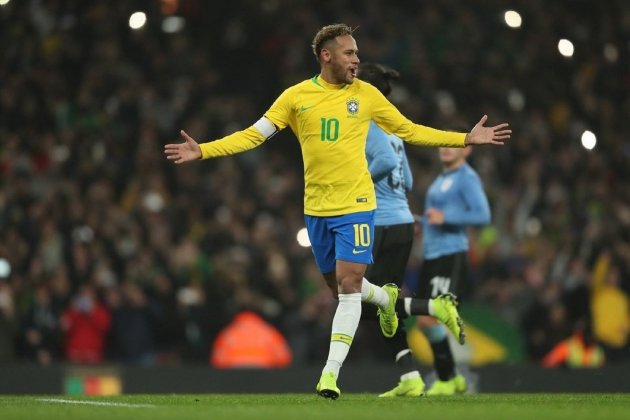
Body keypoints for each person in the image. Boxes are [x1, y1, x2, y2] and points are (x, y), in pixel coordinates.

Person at [164, 23, 511, 399]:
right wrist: (205, 149)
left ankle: (329, 376)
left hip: (358, 205)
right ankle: (389, 299)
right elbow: (254, 134)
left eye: (358, 53)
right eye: (349, 53)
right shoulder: (295, 97)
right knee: (342, 289)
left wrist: (464, 138)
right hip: (316, 210)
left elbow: (410, 130)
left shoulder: (366, 95)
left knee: (349, 287)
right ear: (326, 56)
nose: (357, 60)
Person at [358, 62, 463, 398]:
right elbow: (410, 180)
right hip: (401, 222)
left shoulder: (367, 123)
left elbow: (385, 165)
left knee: (363, 301)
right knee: (381, 306)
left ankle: (433, 308)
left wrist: (359, 183)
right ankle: (410, 376)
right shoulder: (393, 129)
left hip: (381, 225)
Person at [405, 145, 492, 395]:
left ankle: (447, 379)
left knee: (430, 318)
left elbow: (482, 215)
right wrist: (423, 222)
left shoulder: (467, 178)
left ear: (467, 150)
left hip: (450, 255)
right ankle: (451, 377)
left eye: (453, 144)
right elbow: (437, 217)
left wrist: (446, 217)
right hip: (431, 257)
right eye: (443, 143)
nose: (445, 148)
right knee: (424, 322)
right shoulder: (442, 179)